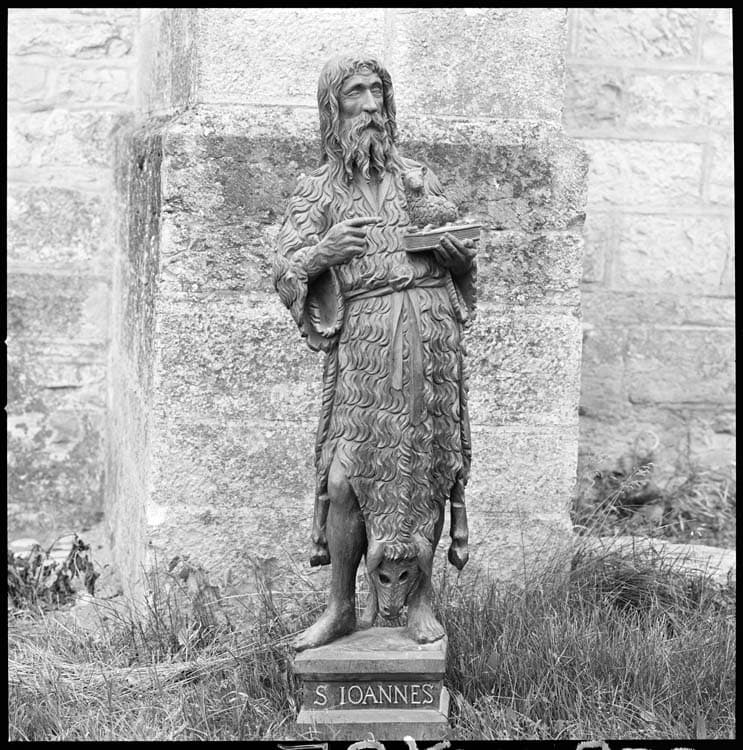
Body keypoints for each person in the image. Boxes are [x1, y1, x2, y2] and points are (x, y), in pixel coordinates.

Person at [273, 54, 476, 651]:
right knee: (344, 479)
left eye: (376, 94)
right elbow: (283, 269)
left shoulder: (417, 178)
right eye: (355, 95)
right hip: (366, 345)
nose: (369, 107)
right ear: (332, 109)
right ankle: (340, 606)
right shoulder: (318, 192)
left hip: (431, 339)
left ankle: (421, 601)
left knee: (426, 470)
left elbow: (461, 258)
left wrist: (458, 260)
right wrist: (324, 252)